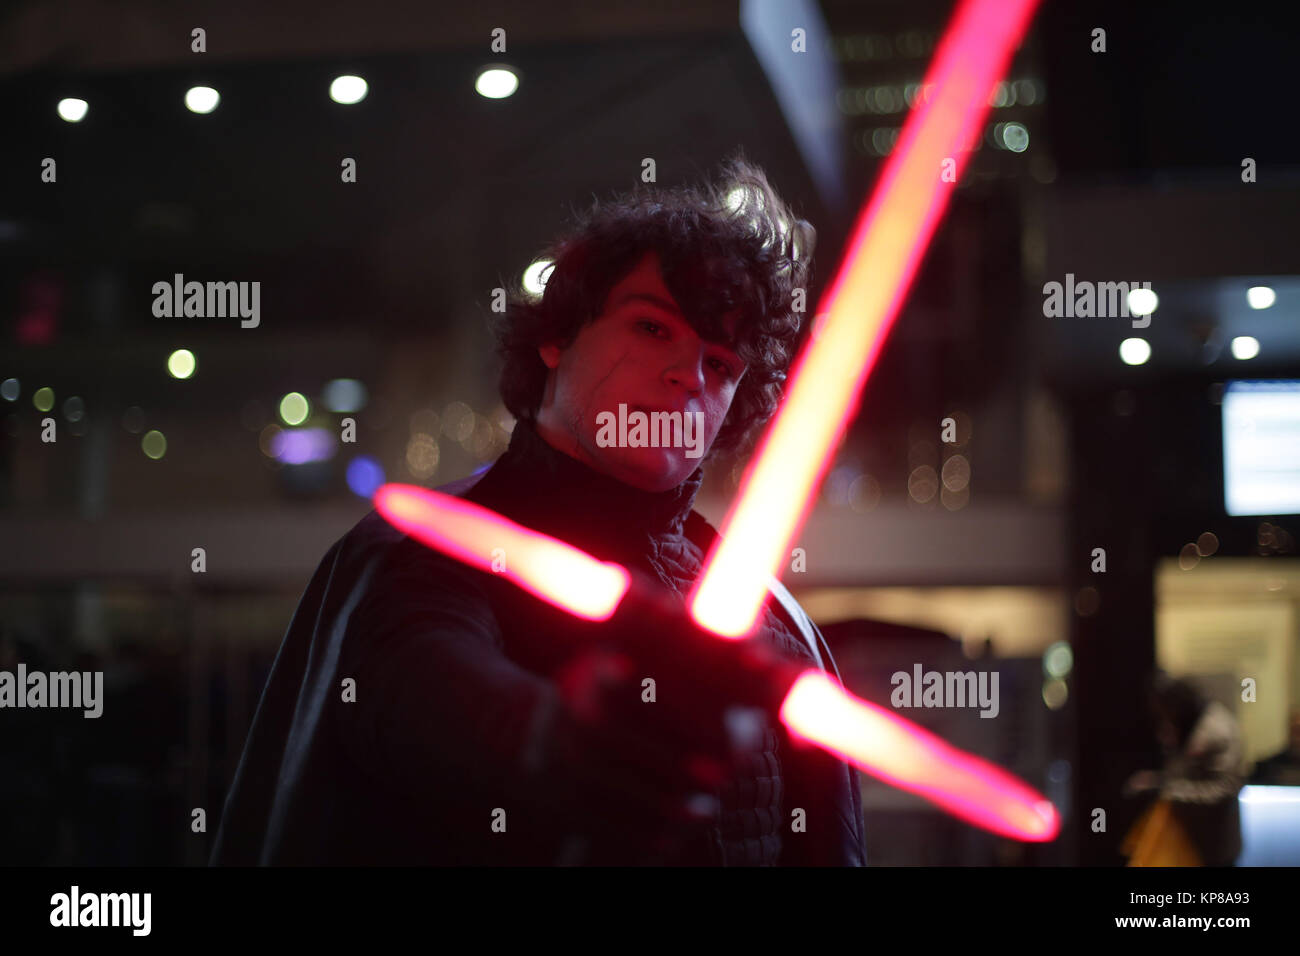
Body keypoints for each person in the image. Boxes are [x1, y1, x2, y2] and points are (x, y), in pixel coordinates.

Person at [209, 154, 868, 866]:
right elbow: (421, 679)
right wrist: (556, 743)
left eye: (721, 364)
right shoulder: (432, 551)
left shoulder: (774, 618)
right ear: (557, 337)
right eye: (652, 328)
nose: (688, 375)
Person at [1123, 673, 1247, 866]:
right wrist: (1158, 780)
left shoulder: (1216, 730)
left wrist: (1166, 790)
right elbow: (1184, 773)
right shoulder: (1188, 724)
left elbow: (1225, 788)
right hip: (1187, 839)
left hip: (1213, 843)